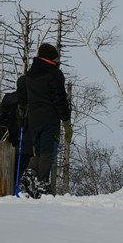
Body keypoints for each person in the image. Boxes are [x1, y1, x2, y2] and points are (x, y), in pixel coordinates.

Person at [17, 43, 71, 198]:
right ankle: (42, 182)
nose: (58, 60)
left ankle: (29, 174)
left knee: (38, 150)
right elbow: (59, 98)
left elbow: (23, 98)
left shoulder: (29, 74)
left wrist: (22, 110)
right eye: (56, 58)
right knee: (47, 151)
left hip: (33, 119)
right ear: (51, 57)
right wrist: (66, 121)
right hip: (50, 118)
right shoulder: (54, 73)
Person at [0, 90, 32, 187]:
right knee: (21, 174)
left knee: (10, 175)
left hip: (10, 143)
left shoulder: (8, 98)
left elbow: (0, 119)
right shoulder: (32, 98)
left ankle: (10, 190)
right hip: (23, 143)